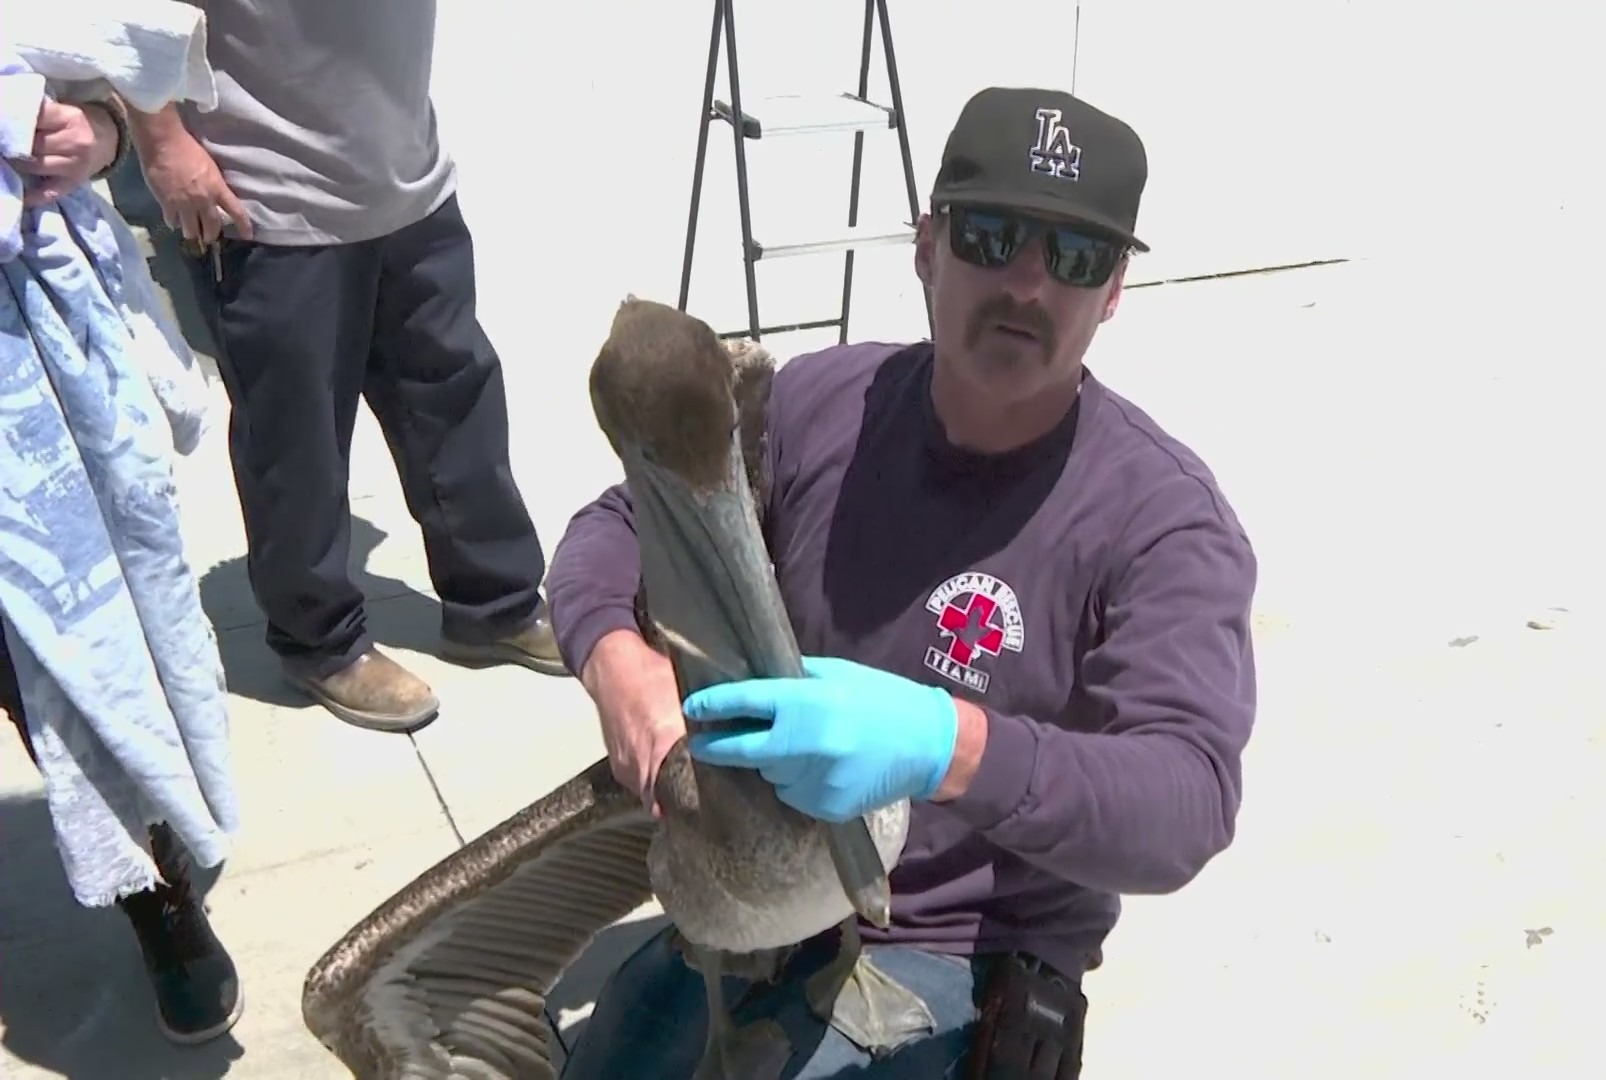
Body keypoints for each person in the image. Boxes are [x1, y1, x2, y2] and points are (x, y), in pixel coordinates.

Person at [547, 86, 1260, 1078]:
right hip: (759, 889)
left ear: (1112, 293)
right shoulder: (820, 404)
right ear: (927, 244)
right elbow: (616, 528)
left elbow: (1186, 803)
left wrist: (944, 748)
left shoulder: (1162, 521)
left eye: (1076, 257)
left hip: (955, 942)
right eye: (993, 236)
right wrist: (620, 663)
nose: (1027, 283)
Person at [118, 1, 563, 734]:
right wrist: (163, 144)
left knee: (458, 401)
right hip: (268, 198)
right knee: (298, 441)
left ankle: (496, 603)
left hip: (407, 177)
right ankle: (320, 640)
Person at [1, 6, 242, 1046]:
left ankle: (157, 888)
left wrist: (90, 129)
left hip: (33, 376)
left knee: (82, 647)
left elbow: (81, 50)